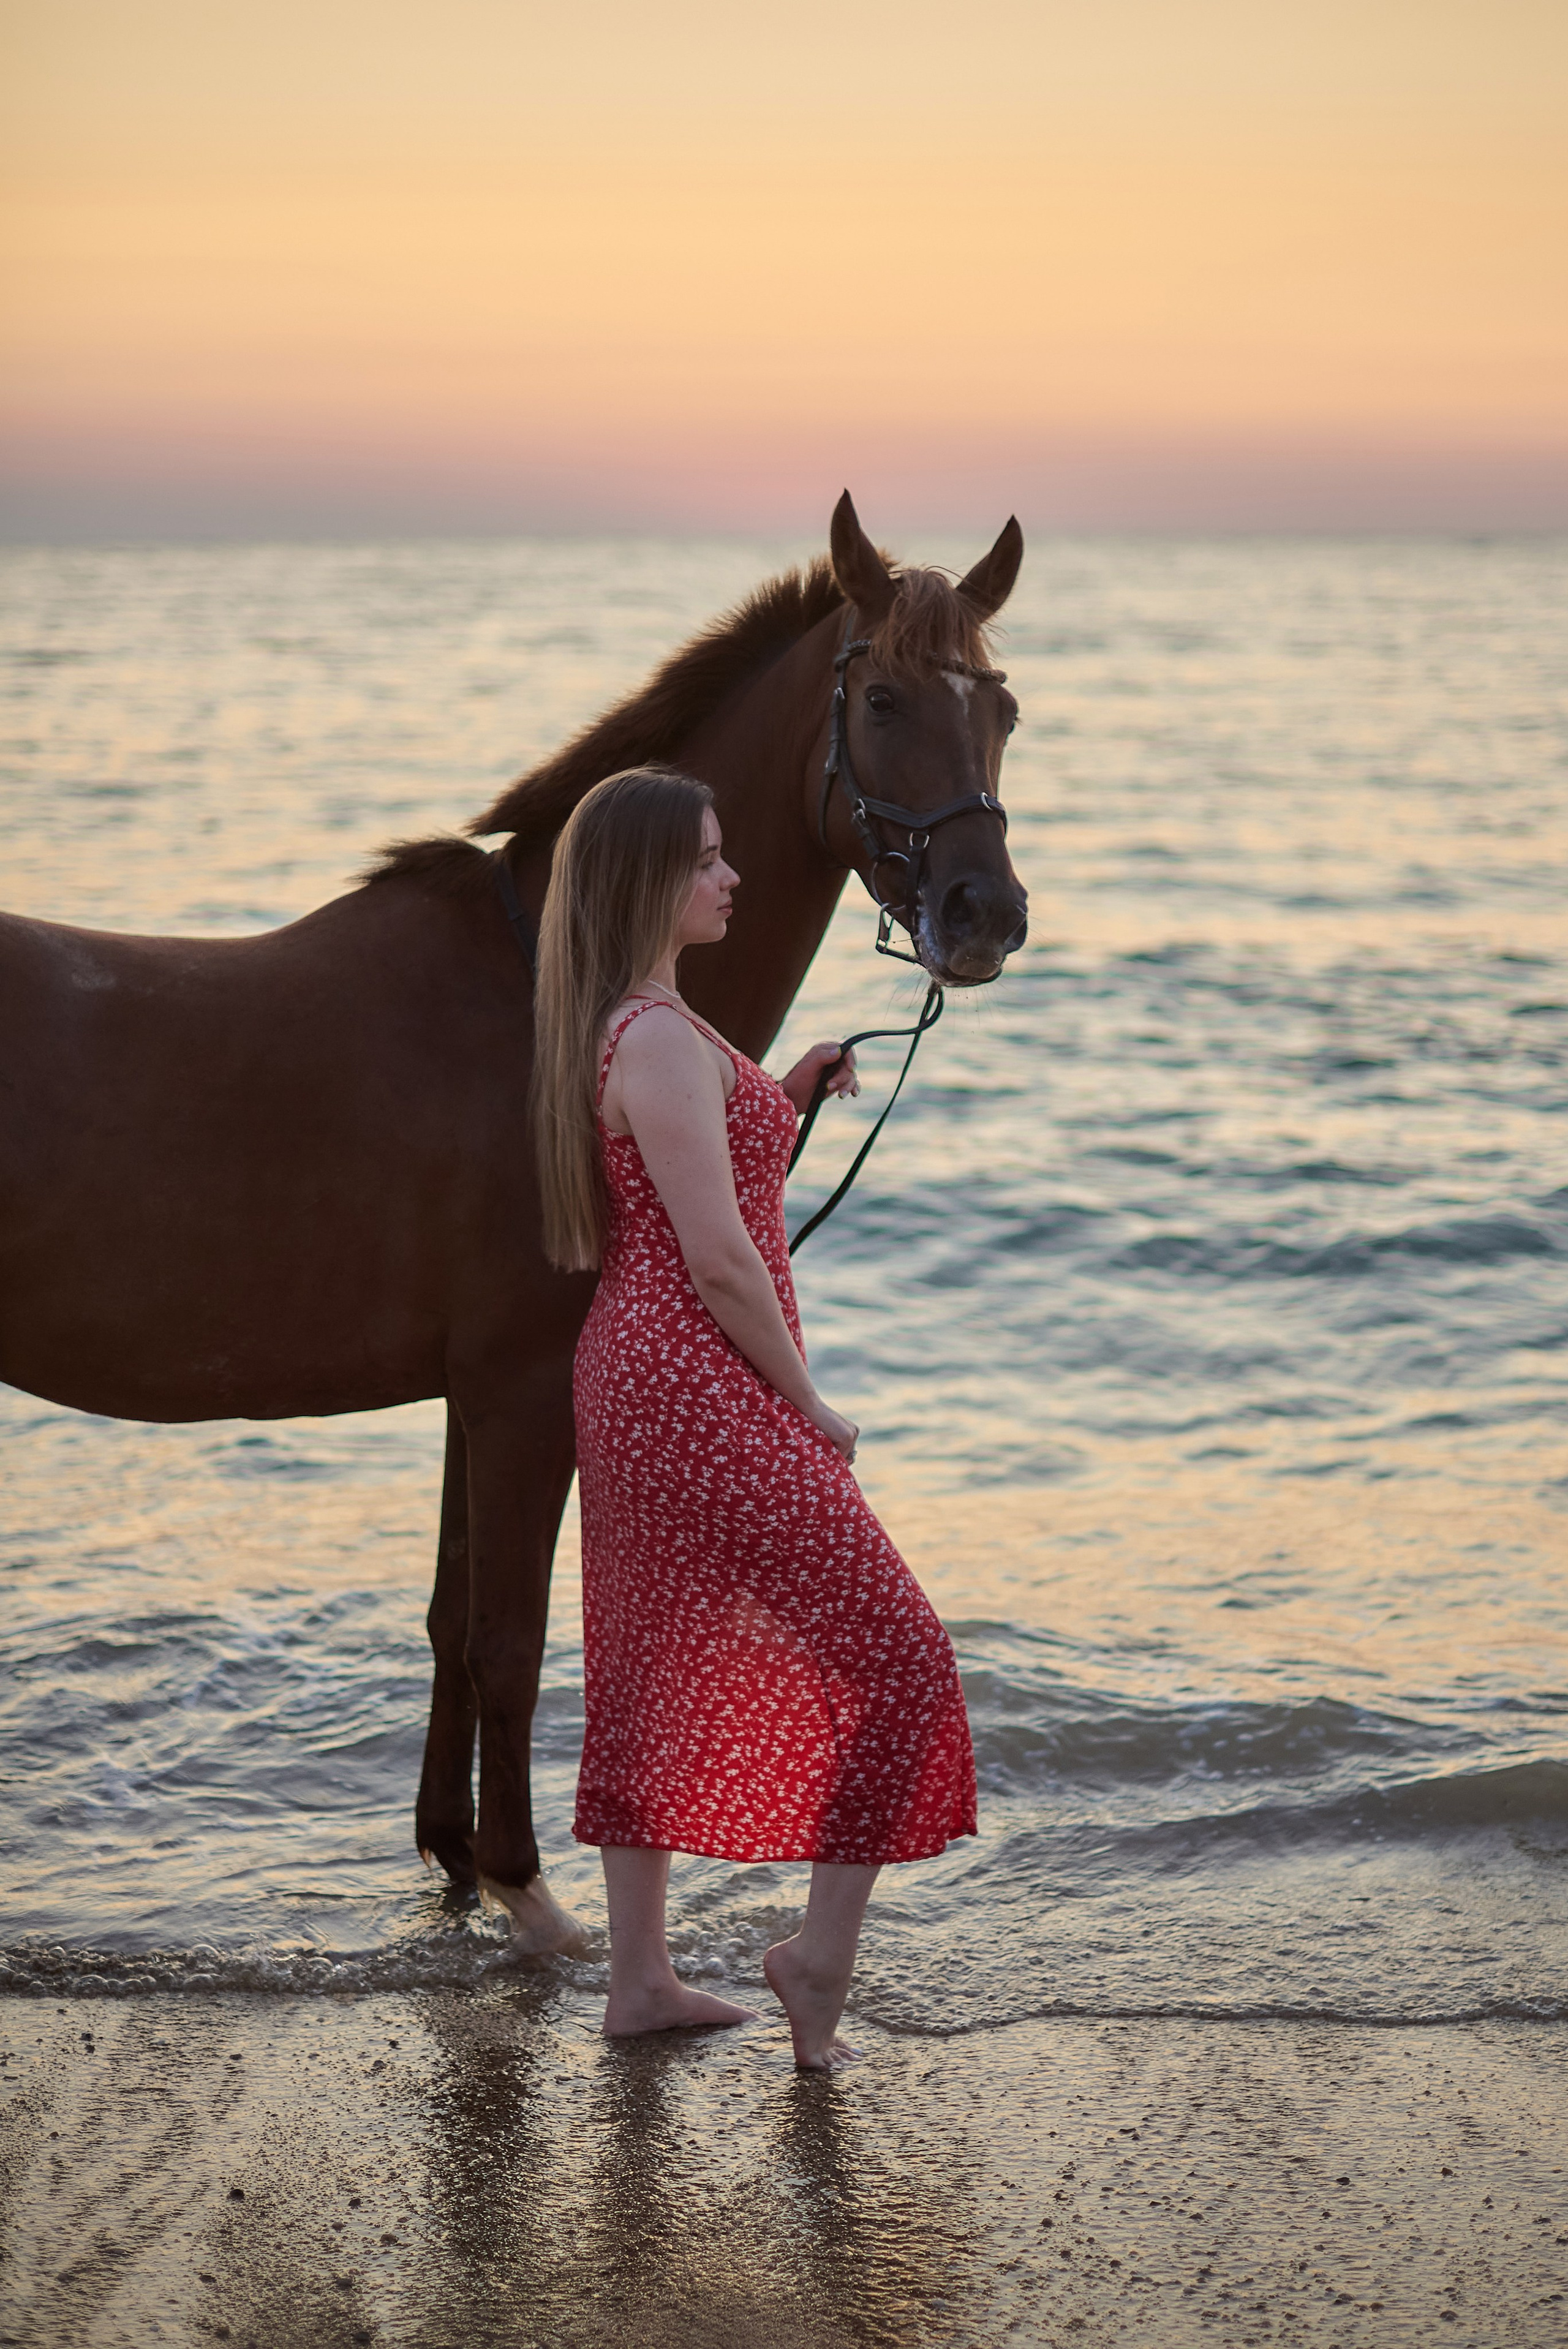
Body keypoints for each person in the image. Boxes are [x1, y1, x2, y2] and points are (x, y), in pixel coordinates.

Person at [532, 765, 976, 2068]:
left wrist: (783, 1087)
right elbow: (719, 1258)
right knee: (903, 1657)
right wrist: (811, 1404)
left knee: (651, 1664)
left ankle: (638, 1982)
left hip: (648, 1377)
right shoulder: (657, 1036)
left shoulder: (644, 1024)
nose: (732, 877)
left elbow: (695, 1180)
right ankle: (815, 1964)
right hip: (691, 1381)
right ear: (648, 880)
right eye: (709, 859)